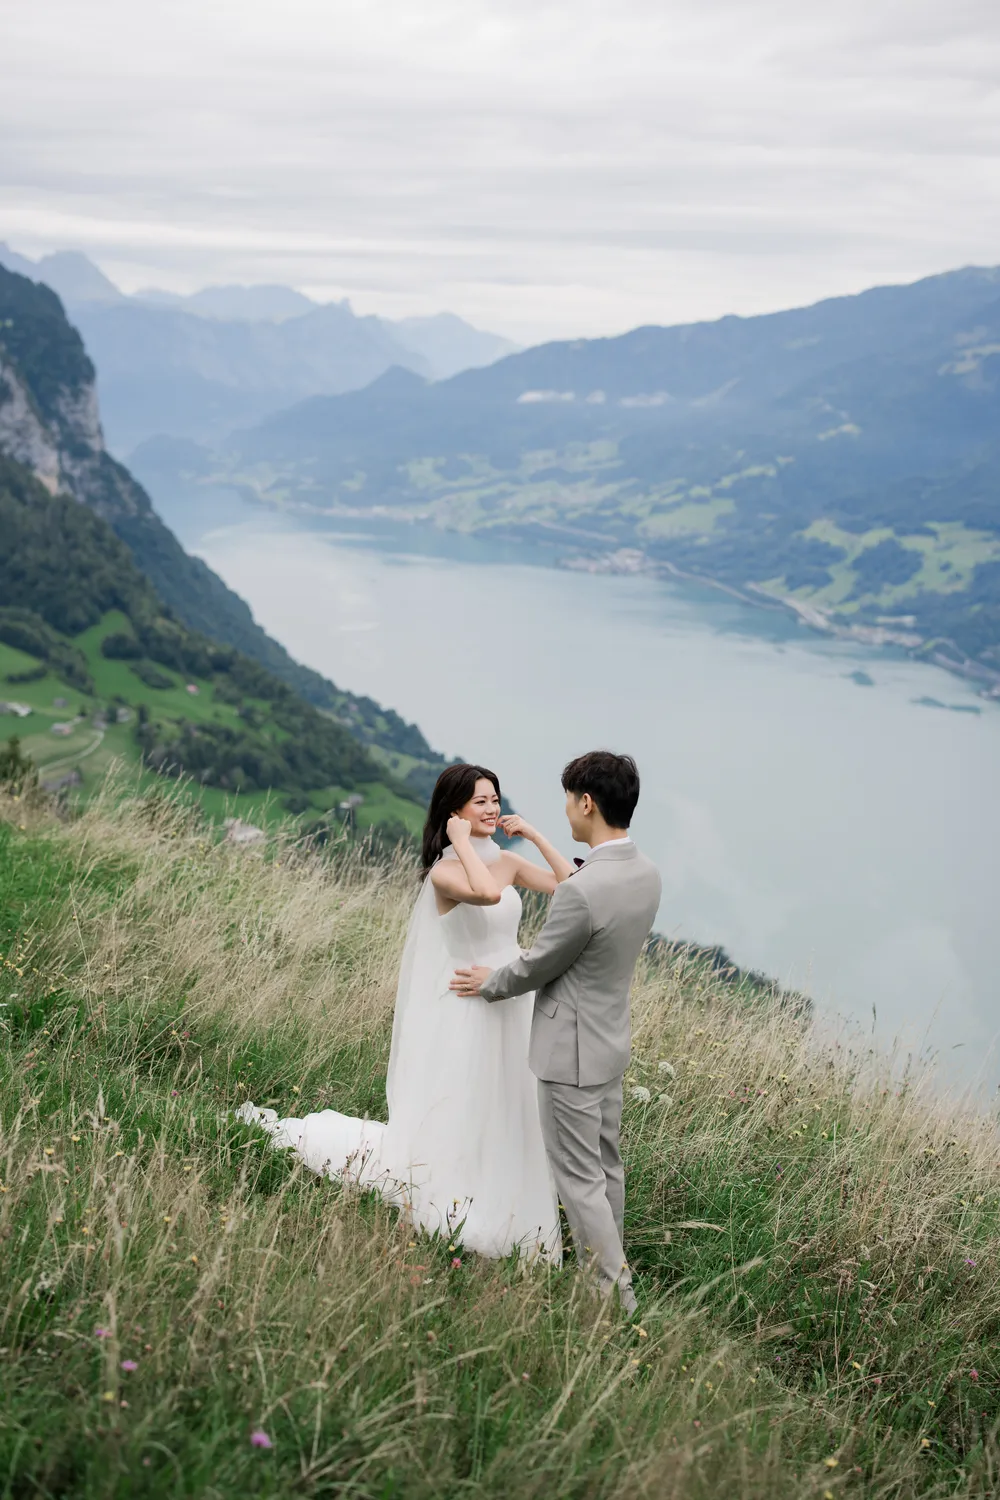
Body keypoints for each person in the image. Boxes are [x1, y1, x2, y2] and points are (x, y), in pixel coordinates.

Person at [238, 762, 570, 1261]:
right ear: (454, 810)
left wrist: (535, 835)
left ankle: (508, 1195)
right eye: (479, 801)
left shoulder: (507, 860)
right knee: (470, 1100)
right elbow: (485, 893)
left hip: (511, 999)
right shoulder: (444, 872)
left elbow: (569, 885)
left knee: (511, 1103)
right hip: (469, 1002)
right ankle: (461, 1196)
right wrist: (459, 841)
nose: (492, 809)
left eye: (495, 799)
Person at [451, 750, 661, 1315]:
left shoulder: (583, 891)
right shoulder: (645, 872)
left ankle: (612, 1299)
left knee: (578, 1179)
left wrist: (490, 982)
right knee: (607, 1167)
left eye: (569, 799)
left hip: (568, 1052)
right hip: (609, 1042)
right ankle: (611, 1270)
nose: (566, 808)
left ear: (586, 803)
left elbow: (538, 964)